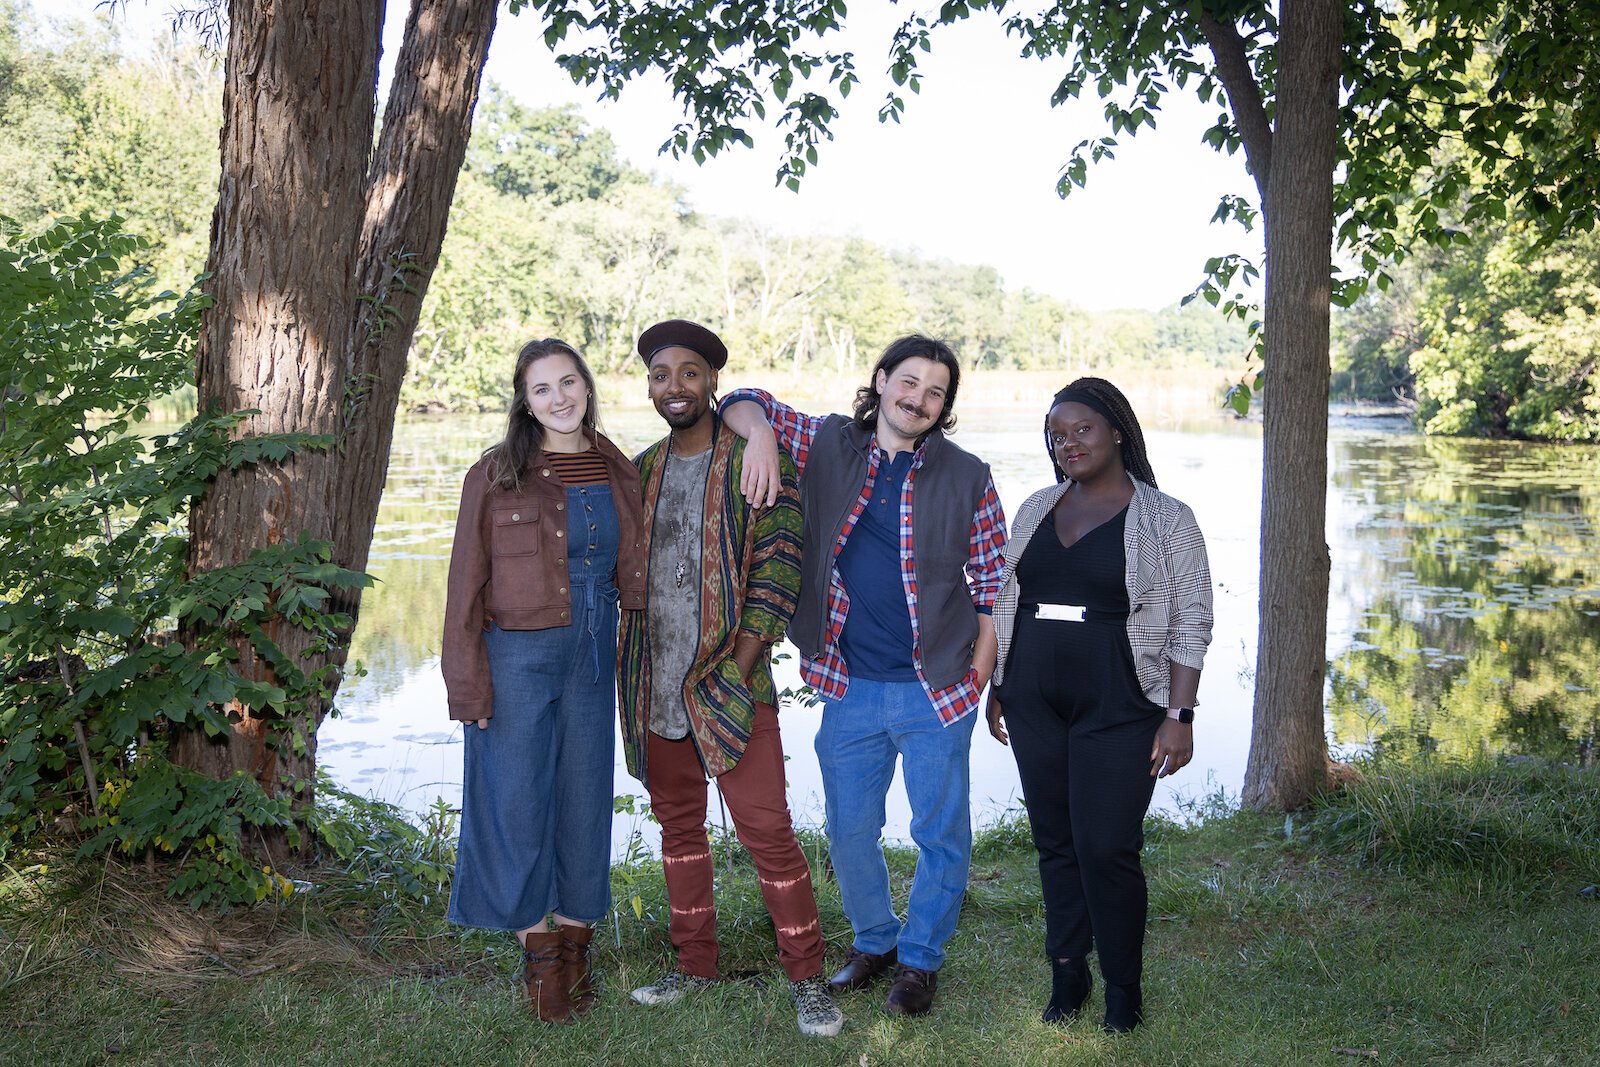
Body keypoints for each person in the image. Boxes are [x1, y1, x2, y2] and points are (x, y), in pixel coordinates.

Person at [721, 335, 1007, 1017]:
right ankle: (876, 941)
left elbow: (996, 582)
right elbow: (737, 400)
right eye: (909, 382)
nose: (919, 399)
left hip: (939, 686)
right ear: (881, 380)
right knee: (850, 830)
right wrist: (760, 436)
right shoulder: (826, 443)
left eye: (936, 391)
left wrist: (979, 677)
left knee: (940, 832)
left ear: (945, 405)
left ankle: (920, 960)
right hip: (849, 684)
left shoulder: (967, 474)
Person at [617, 319, 844, 1038]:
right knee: (679, 829)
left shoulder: (754, 460)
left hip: (733, 688)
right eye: (660, 374)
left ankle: (808, 979)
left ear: (713, 380)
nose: (674, 386)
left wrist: (739, 671)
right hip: (657, 689)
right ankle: (694, 964)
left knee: (768, 831)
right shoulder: (642, 469)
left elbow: (778, 572)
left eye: (689, 372)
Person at [985, 377, 1212, 1033]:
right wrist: (998, 685)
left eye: (1082, 428)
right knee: (1054, 840)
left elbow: (1191, 621)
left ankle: (1123, 990)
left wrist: (1180, 714)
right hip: (1033, 694)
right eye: (1057, 432)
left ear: (1117, 429)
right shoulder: (1035, 507)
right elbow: (1006, 599)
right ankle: (1068, 974)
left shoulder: (1168, 517)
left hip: (1121, 699)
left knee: (1106, 845)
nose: (1068, 442)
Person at [440, 338, 646, 1023]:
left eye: (568, 383)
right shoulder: (495, 474)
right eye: (542, 388)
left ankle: (578, 950)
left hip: (592, 659)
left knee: (585, 801)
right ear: (524, 401)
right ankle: (541, 970)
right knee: (517, 804)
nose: (559, 397)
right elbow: (464, 587)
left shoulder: (617, 466)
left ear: (587, 386)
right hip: (515, 663)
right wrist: (467, 684)